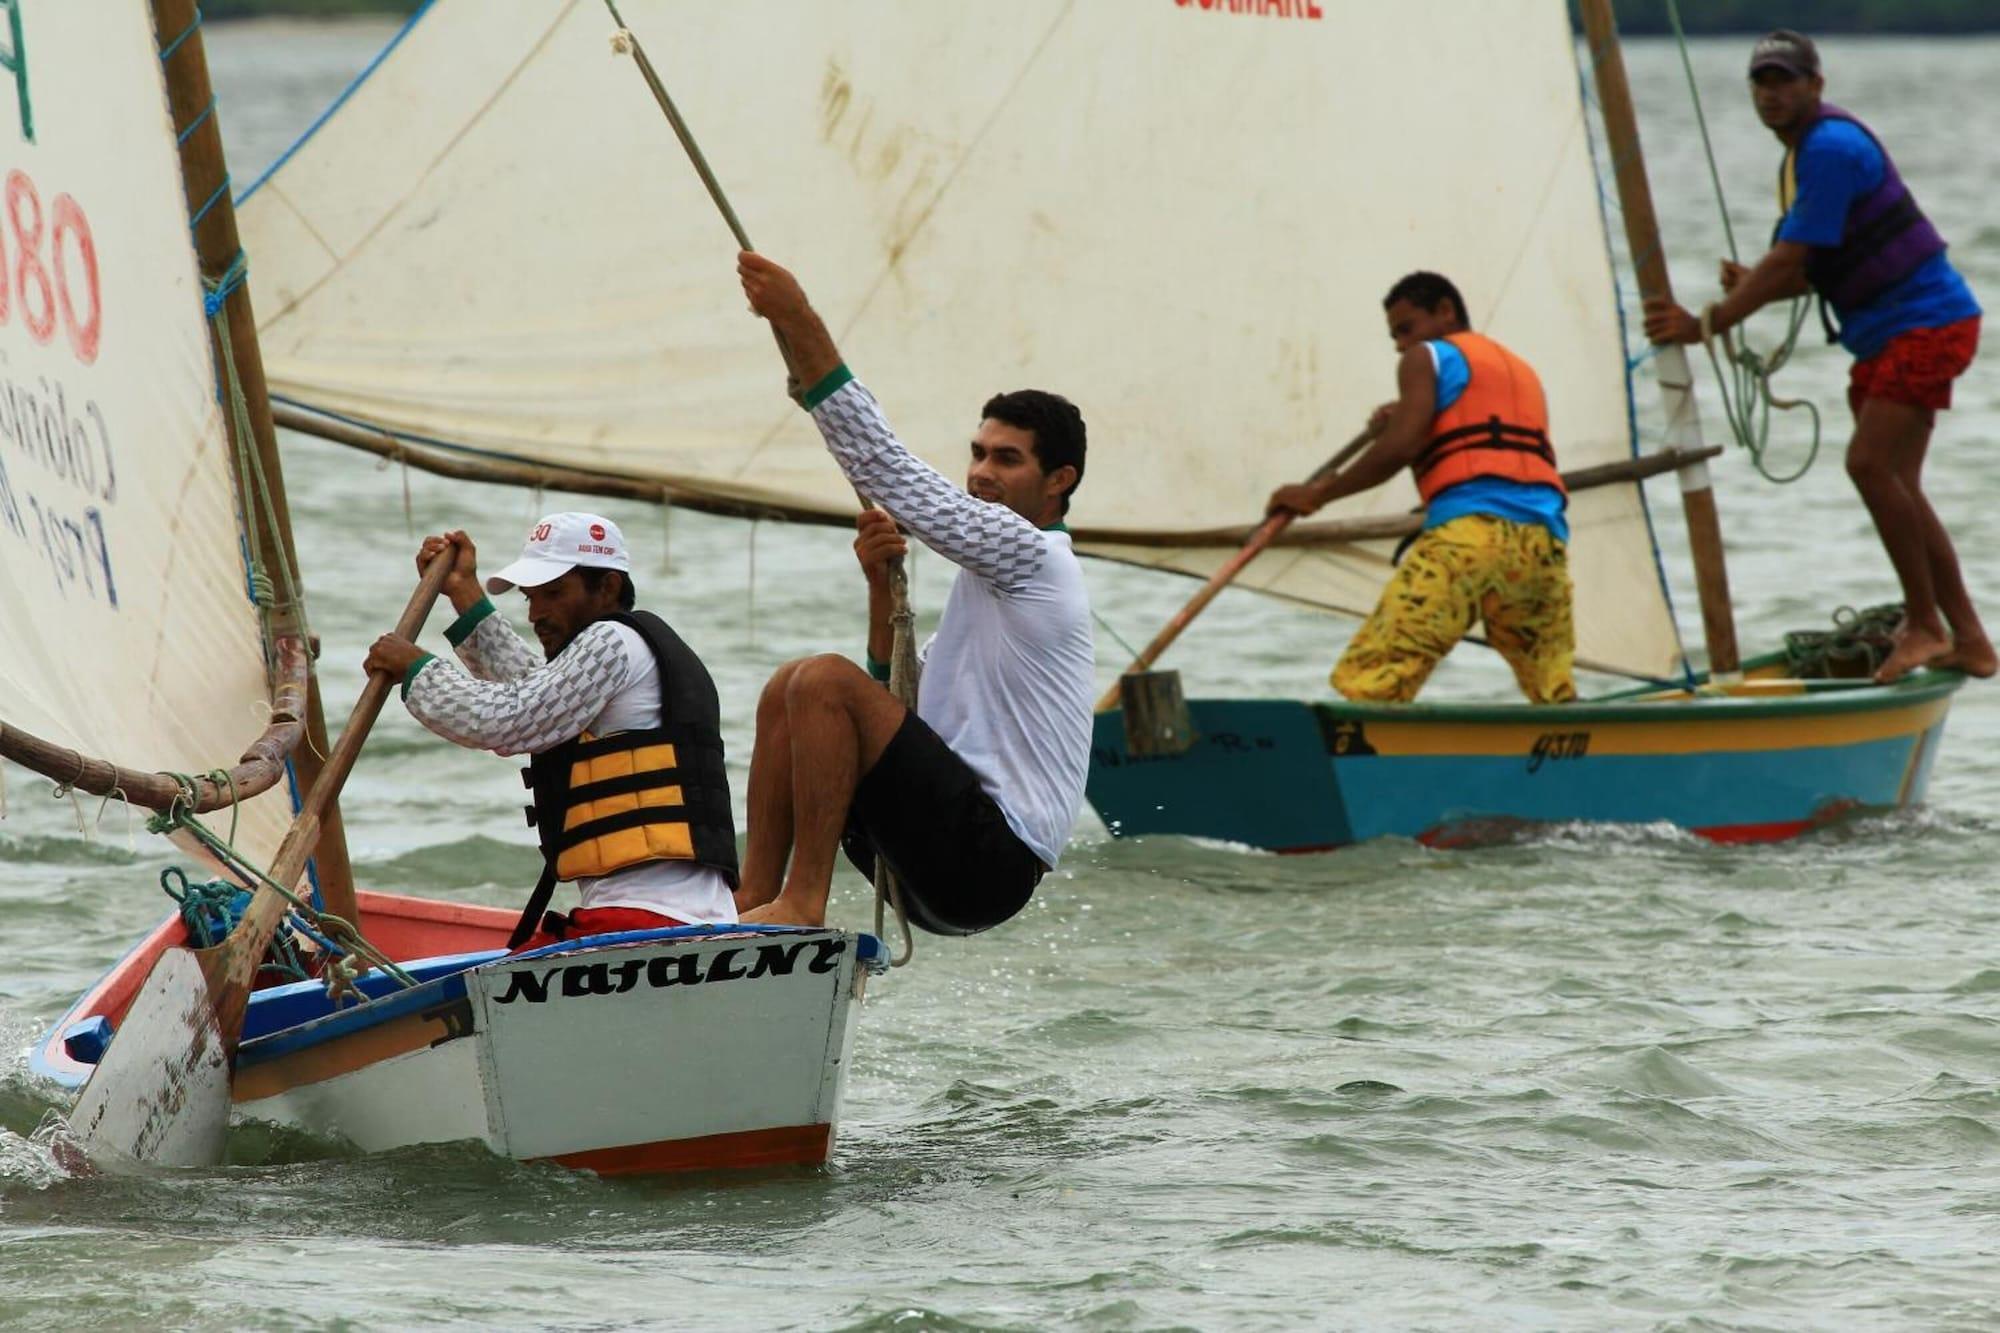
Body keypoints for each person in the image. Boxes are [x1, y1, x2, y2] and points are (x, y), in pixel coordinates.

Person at [730, 250, 1094, 934]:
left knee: (823, 681)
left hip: (991, 862)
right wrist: (878, 592)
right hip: (934, 855)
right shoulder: (991, 580)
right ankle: (755, 892)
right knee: (790, 686)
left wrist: (798, 320)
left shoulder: (1036, 559)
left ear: (1058, 481)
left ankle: (802, 902)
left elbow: (891, 472)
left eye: (1007, 459)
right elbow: (900, 707)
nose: (982, 472)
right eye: (978, 452)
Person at [1642, 29, 1992, 685]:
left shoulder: (1828, 147)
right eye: (1762, 83)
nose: (1772, 95)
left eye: (1785, 81)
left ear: (1816, 86)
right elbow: (1812, 269)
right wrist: (1754, 283)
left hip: (1926, 326)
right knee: (1899, 484)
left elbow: (1790, 263)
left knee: (1868, 465)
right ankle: (1969, 639)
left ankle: (1925, 626)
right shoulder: (1805, 155)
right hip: (1899, 331)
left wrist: (1705, 324)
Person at [363, 514, 739, 950]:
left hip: (651, 918)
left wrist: (416, 669)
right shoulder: (624, 648)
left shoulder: (611, 641)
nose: (537, 614)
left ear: (609, 587)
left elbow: (505, 720)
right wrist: (465, 592)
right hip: (682, 916)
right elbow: (533, 692)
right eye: (530, 598)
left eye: (555, 594)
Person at [1267, 271, 1575, 704]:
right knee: (1552, 693)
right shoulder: (1520, 369)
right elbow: (1470, 431)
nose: (1400, 345)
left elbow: (1401, 446)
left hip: (1470, 540)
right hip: (1543, 547)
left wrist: (1317, 493)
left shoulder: (1425, 356)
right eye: (1395, 336)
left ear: (1445, 311)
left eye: (1406, 329)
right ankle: (1579, 757)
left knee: (1371, 678)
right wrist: (1405, 414)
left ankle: (1368, 764)